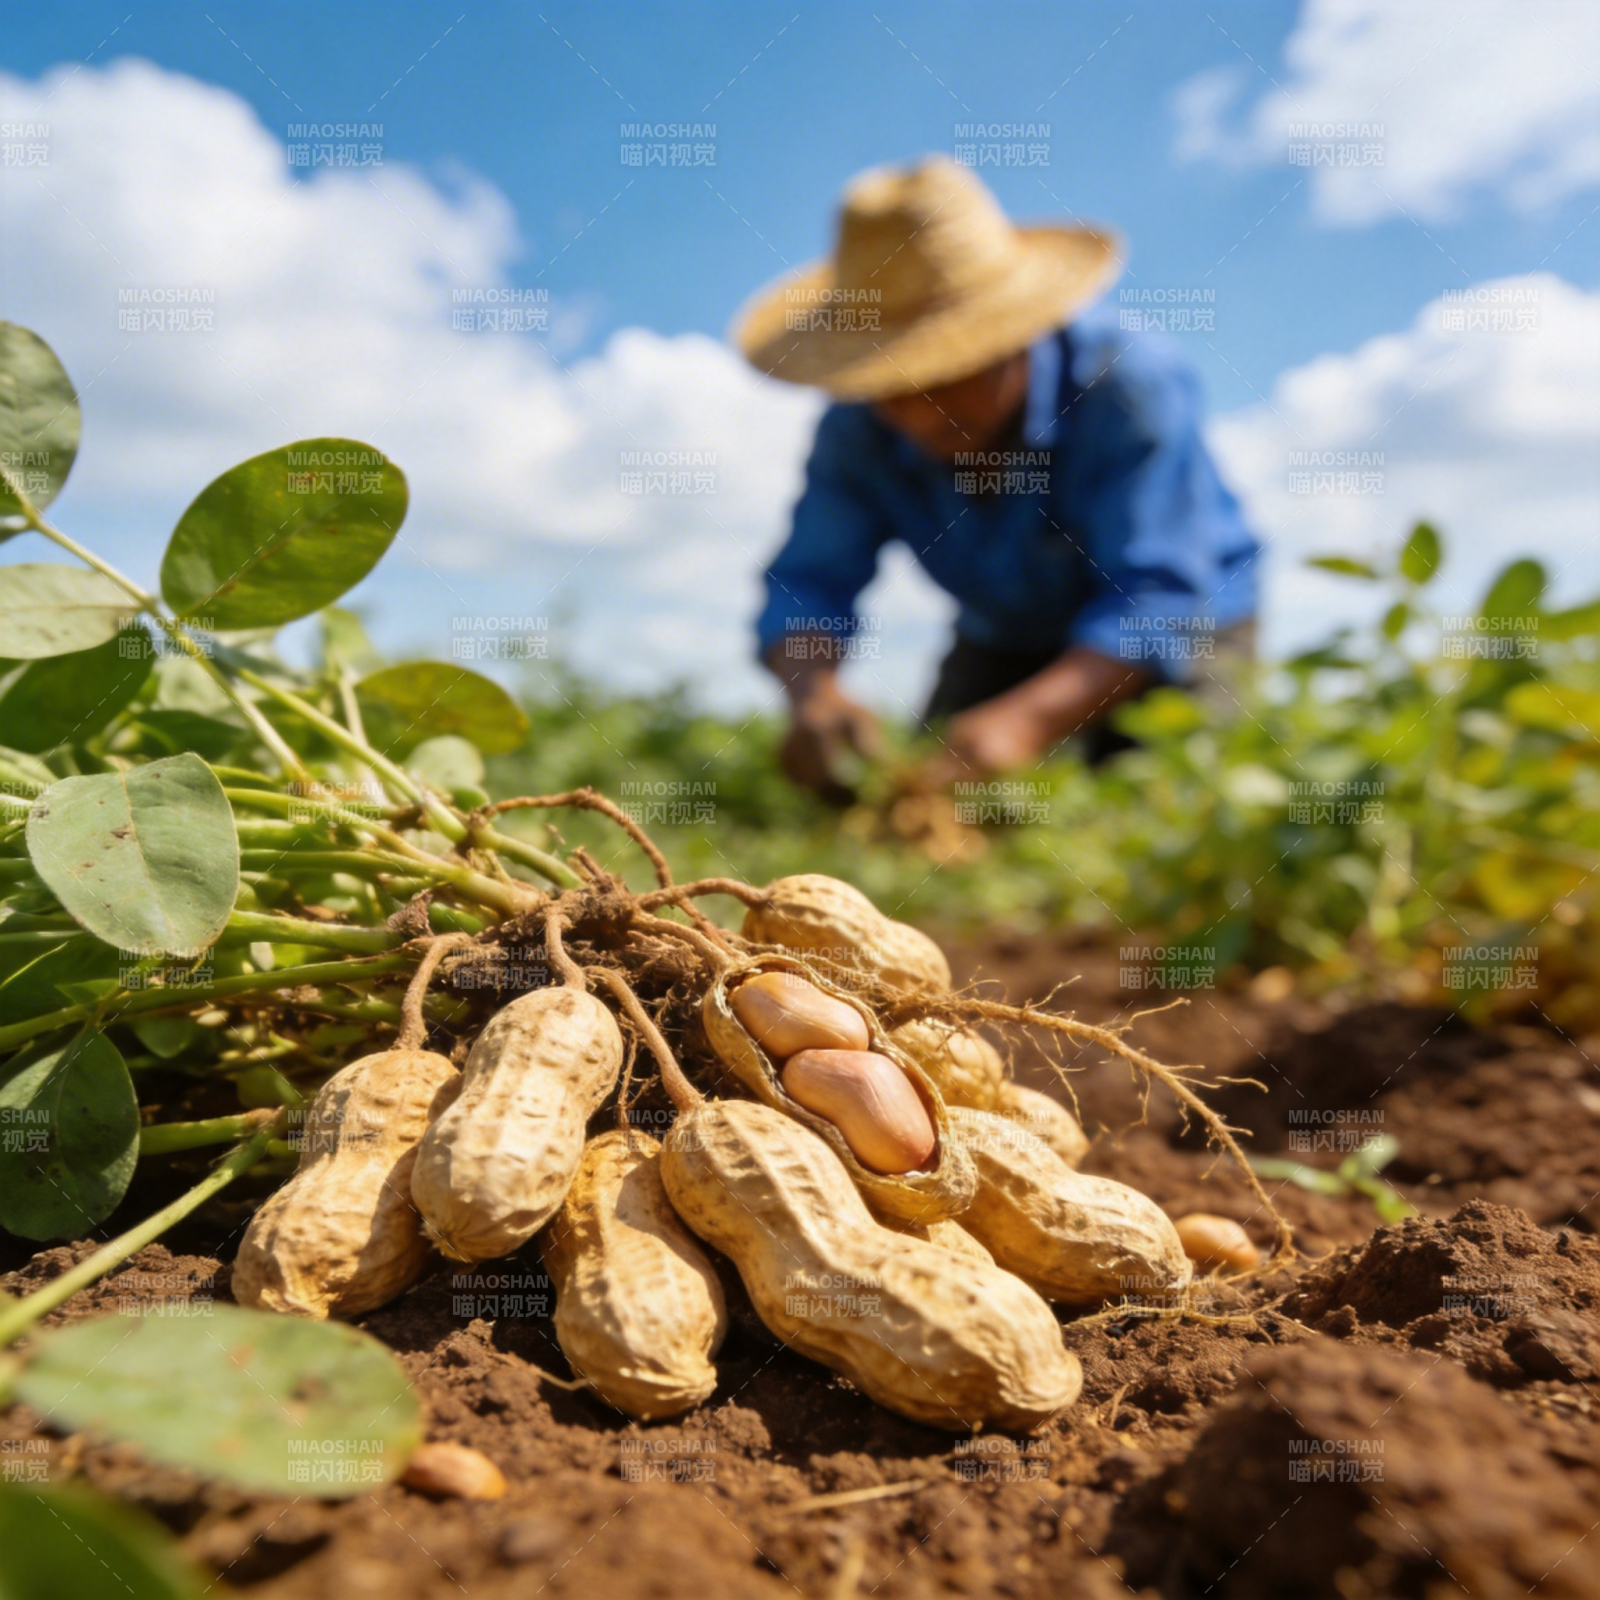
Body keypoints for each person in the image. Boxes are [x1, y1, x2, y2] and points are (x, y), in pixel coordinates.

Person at [732, 156, 1258, 798]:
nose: (921, 418)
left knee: (1169, 805)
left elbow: (1160, 598)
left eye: (947, 377)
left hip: (1187, 624)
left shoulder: (1125, 388)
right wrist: (813, 694)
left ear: (1013, 337)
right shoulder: (857, 429)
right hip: (1004, 630)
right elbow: (811, 578)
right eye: (893, 388)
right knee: (917, 800)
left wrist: (1029, 721)